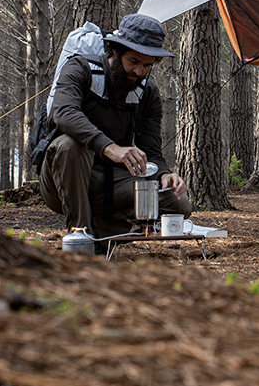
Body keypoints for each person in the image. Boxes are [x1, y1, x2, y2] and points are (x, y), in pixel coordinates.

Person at [38, 13, 192, 238]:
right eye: (134, 62)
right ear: (115, 51)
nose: (139, 72)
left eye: (147, 66)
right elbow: (64, 113)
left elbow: (151, 149)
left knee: (178, 203)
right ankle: (81, 236)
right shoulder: (79, 69)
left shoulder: (147, 92)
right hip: (63, 178)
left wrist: (165, 174)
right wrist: (110, 147)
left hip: (110, 183)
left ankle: (106, 227)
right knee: (70, 145)